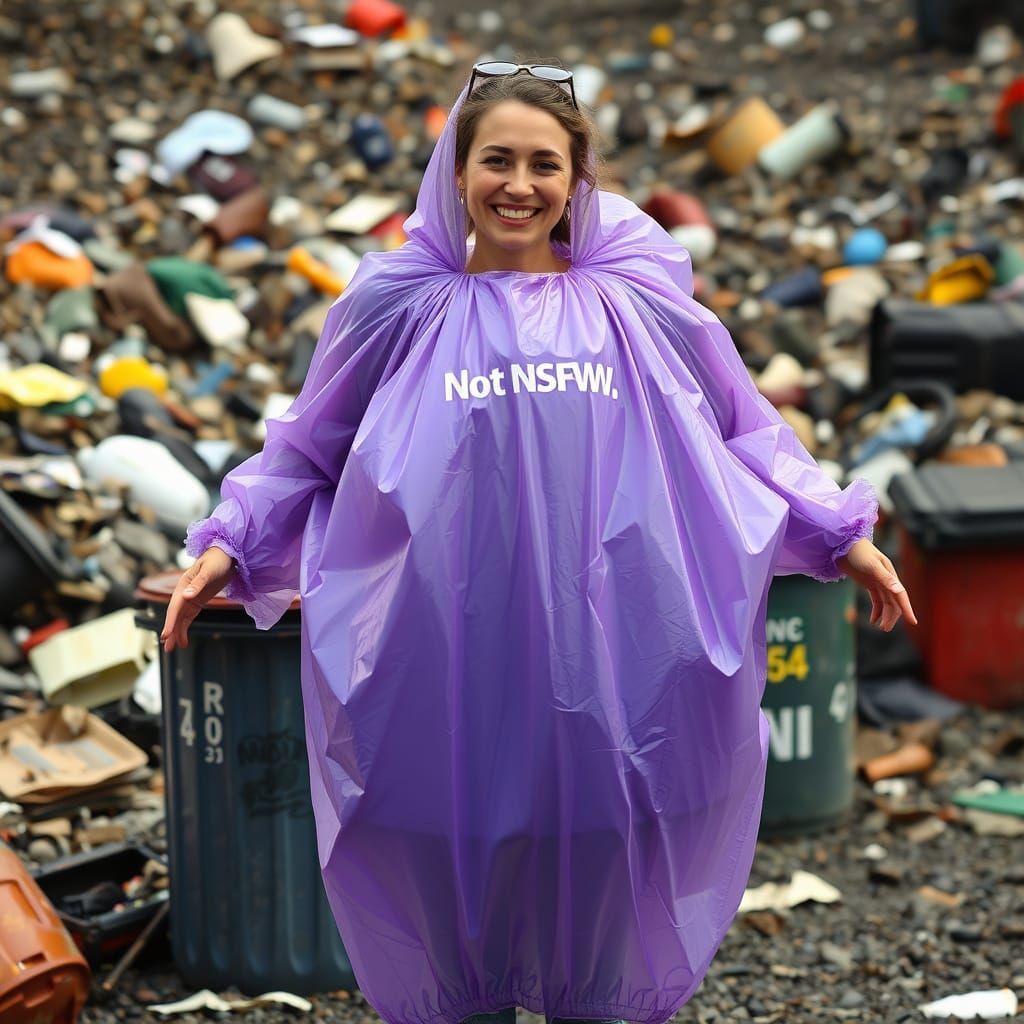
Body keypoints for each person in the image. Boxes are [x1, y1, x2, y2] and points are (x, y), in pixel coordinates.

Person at [161, 63, 916, 1024]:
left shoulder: (635, 302)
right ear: (455, 172)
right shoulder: (397, 308)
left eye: (545, 164)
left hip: (615, 675)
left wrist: (839, 532)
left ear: (578, 179)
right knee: (450, 868)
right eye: (497, 160)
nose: (519, 185)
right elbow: (307, 446)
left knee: (601, 882)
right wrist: (227, 544)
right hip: (439, 665)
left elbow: (740, 426)